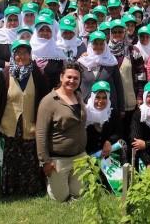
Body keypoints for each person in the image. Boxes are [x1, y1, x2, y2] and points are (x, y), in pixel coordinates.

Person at [0, 39, 49, 195]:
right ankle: (8, 188)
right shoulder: (4, 75)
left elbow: (44, 99)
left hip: (29, 124)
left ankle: (29, 188)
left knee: (28, 156)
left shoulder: (37, 74)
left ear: (30, 55)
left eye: (25, 53)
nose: (21, 56)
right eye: (18, 53)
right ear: (13, 55)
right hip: (8, 124)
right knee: (9, 158)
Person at [36, 63, 87, 202]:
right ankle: (51, 182)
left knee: (78, 193)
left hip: (79, 157)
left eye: (76, 78)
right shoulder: (49, 102)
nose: (72, 81)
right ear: (61, 77)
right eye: (69, 77)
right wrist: (45, 161)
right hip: (59, 159)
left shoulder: (79, 96)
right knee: (61, 198)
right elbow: (41, 134)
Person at [106, 19, 147, 140]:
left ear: (125, 33)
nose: (117, 35)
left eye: (120, 32)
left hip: (130, 99)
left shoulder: (133, 51)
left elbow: (141, 75)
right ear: (110, 33)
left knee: (130, 132)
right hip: (111, 99)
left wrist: (140, 96)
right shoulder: (105, 52)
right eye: (114, 32)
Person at [78, 31, 124, 112]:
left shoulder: (111, 62)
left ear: (105, 45)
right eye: (95, 43)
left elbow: (118, 86)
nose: (98, 46)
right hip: (86, 109)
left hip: (109, 110)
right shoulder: (82, 63)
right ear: (90, 45)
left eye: (101, 43)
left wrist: (121, 108)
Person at [85, 81, 127, 163]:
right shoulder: (85, 112)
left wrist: (109, 141)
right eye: (98, 97)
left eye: (104, 98)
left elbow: (119, 131)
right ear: (93, 97)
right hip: (89, 155)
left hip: (108, 152)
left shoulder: (111, 111)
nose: (101, 101)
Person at [31, 15, 67, 89]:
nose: (45, 33)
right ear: (36, 31)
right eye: (41, 30)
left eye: (48, 30)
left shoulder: (58, 53)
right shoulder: (28, 52)